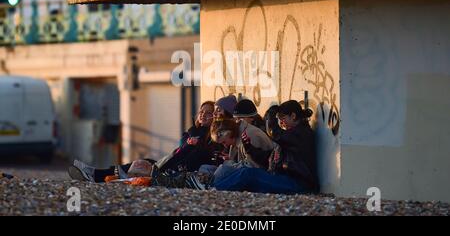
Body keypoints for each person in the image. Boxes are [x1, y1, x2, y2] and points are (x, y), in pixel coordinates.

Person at [68, 101, 220, 184]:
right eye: (201, 111)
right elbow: (181, 148)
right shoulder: (192, 131)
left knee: (139, 165)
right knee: (140, 162)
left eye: (208, 113)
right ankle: (96, 174)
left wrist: (165, 169)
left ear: (215, 117)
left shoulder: (211, 138)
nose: (203, 115)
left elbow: (193, 156)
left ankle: (96, 175)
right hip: (168, 164)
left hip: (175, 172)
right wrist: (189, 139)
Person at [212, 100, 319, 195]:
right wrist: (250, 148)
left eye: (283, 118)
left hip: (299, 184)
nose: (281, 122)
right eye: (279, 119)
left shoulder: (303, 133)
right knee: (246, 172)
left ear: (293, 116)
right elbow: (267, 158)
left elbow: (274, 133)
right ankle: (214, 188)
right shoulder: (292, 134)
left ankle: (215, 190)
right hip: (286, 178)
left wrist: (271, 115)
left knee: (248, 174)